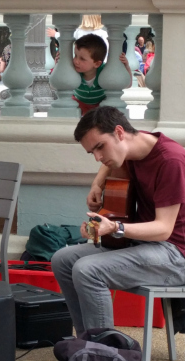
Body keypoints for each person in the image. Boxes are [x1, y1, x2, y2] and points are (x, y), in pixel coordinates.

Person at [51, 106, 185, 336]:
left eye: (100, 147)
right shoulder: (133, 145)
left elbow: (163, 229)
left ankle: (104, 354)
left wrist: (114, 227)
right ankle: (88, 343)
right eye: (91, 152)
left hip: (175, 253)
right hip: (143, 246)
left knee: (87, 270)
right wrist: (98, 184)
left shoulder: (171, 161)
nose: (98, 157)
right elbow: (109, 161)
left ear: (120, 132)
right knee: (62, 259)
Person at [71, 34, 131, 116]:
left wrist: (126, 66)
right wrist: (58, 64)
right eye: (75, 56)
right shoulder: (73, 70)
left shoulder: (105, 71)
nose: (76, 61)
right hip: (79, 104)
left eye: (82, 59)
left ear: (97, 64)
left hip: (100, 106)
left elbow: (128, 85)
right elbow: (59, 82)